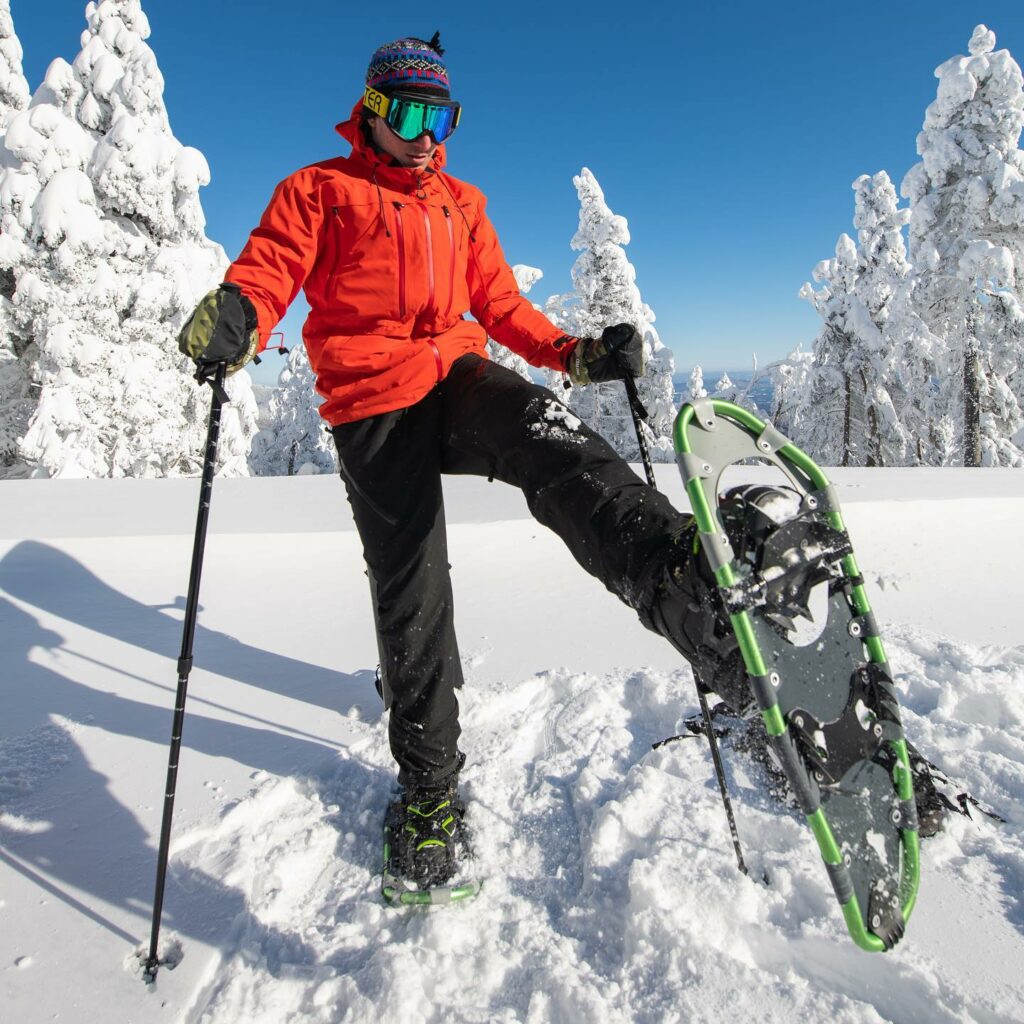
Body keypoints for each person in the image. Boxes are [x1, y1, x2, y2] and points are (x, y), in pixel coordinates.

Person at [178, 33, 749, 893]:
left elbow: (500, 303)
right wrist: (239, 314)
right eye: (406, 111)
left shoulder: (461, 202)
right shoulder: (320, 190)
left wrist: (576, 354)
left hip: (456, 373)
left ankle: (680, 579)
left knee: (553, 436)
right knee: (411, 582)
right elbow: (270, 270)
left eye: (437, 114)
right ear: (371, 110)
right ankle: (429, 792)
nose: (422, 131)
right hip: (373, 400)